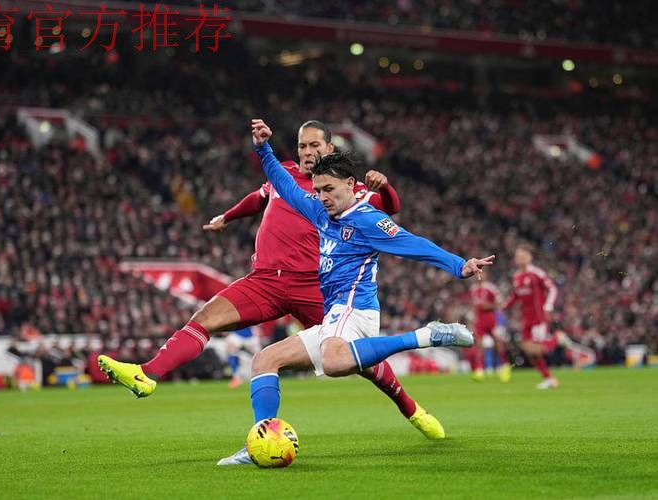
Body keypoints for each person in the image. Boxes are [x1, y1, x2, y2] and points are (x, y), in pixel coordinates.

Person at [99, 121, 439, 439]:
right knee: (205, 318)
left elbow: (389, 207)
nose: (307, 152)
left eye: (314, 145)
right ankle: (148, 374)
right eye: (302, 146)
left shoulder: (348, 189)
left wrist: (386, 187)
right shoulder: (285, 173)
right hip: (265, 281)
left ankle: (410, 408)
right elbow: (258, 199)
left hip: (315, 287)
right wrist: (227, 217)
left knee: (353, 359)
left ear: (329, 148)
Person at [216, 119, 494, 464]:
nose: (323, 197)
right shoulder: (319, 210)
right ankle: (261, 439)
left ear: (350, 184)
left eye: (329, 190)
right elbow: (283, 183)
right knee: (264, 360)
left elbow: (413, 244)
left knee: (334, 362)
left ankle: (427, 335)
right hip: (335, 314)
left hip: (356, 309)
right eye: (318, 190)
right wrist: (263, 148)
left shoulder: (367, 220)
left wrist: (459, 265)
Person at [503, 244, 560, 389]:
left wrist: (548, 307)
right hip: (526, 318)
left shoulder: (537, 274)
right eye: (518, 256)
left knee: (537, 350)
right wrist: (505, 306)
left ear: (530, 257)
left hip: (539, 317)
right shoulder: (517, 276)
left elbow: (552, 289)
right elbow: (516, 295)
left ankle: (557, 338)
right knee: (529, 351)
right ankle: (549, 379)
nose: (520, 259)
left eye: (523, 256)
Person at [469, 274, 511, 382]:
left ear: (485, 275)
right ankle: (479, 370)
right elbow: (474, 306)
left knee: (498, 344)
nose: (478, 276)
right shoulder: (473, 289)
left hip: (491, 320)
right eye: (476, 274)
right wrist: (473, 319)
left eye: (480, 274)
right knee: (479, 345)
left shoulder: (490, 288)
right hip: (479, 321)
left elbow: (501, 303)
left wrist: (489, 306)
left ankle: (505, 366)